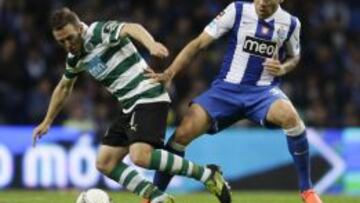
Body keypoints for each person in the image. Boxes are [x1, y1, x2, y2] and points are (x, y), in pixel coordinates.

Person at [31, 7, 231, 203]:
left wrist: (151, 45)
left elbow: (130, 27)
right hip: (130, 105)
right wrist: (47, 121)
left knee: (140, 156)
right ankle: (158, 198)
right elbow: (64, 87)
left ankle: (207, 175)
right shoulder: (75, 58)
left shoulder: (98, 32)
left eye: (70, 37)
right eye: (61, 41)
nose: (67, 44)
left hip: (148, 95)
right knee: (105, 162)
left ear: (80, 29)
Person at [144, 0, 323, 203]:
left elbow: (294, 57)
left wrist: (283, 68)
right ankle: (153, 195)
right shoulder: (237, 10)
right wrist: (169, 73)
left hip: (262, 92)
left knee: (291, 117)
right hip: (225, 91)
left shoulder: (291, 24)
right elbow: (199, 43)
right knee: (181, 134)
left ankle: (307, 190)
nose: (261, 3)